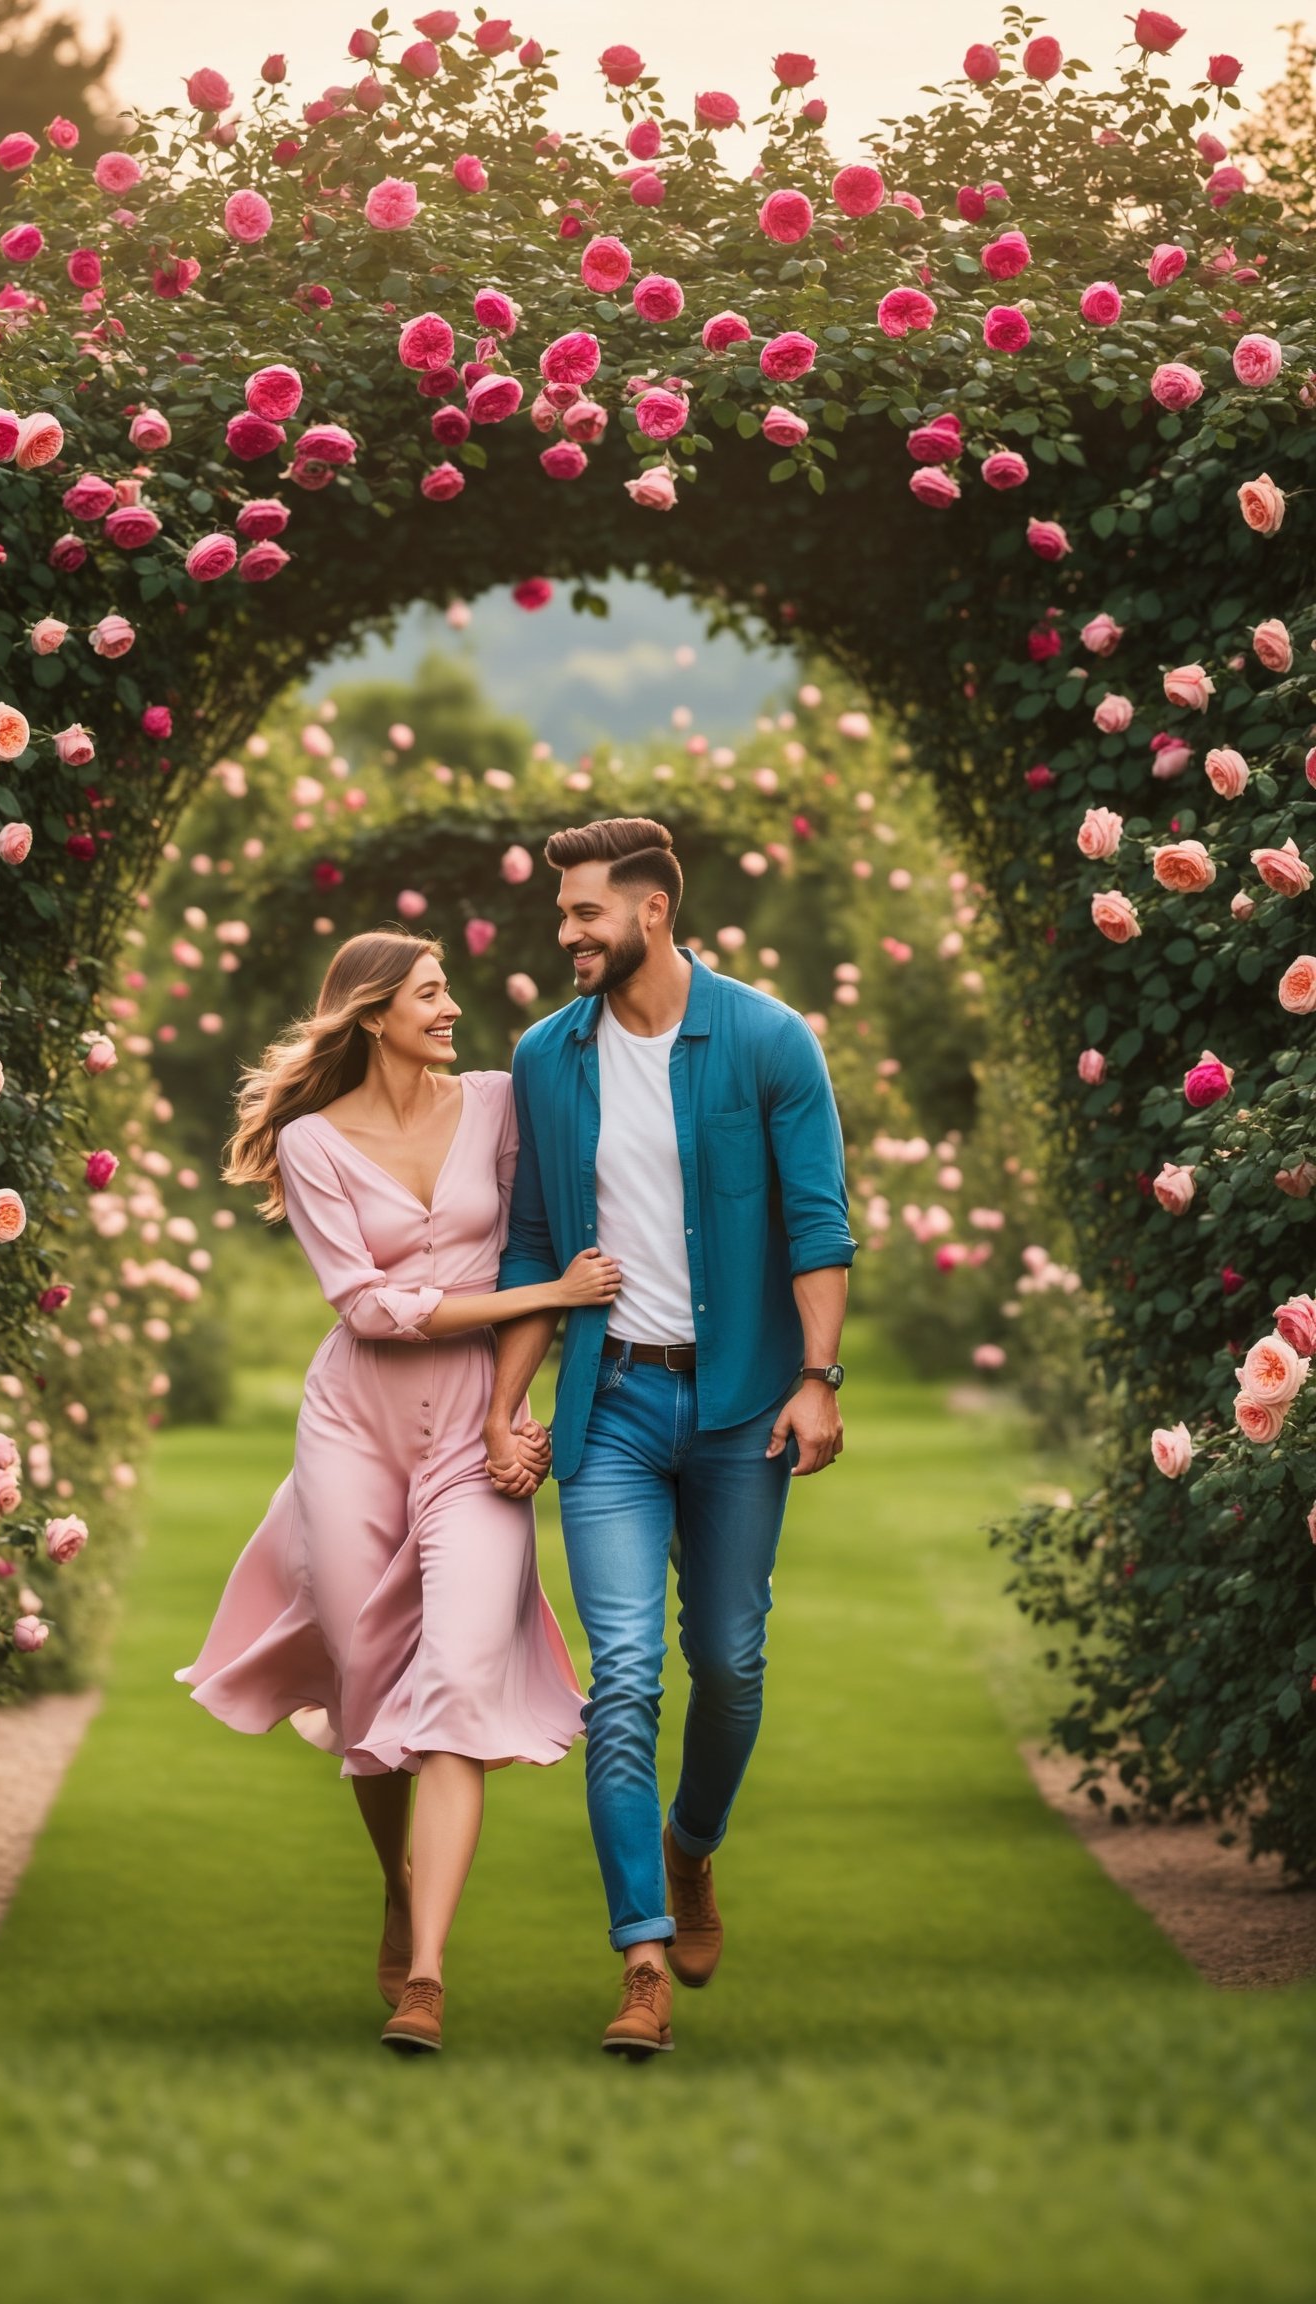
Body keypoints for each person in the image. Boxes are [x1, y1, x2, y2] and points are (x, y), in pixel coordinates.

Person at [176, 931, 616, 2054]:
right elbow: (367, 1308)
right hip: (354, 1425)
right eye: (430, 993)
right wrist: (545, 1289)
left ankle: (424, 1977)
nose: (452, 1007)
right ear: (373, 1014)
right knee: (368, 1676)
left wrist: (519, 1409)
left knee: (461, 1672)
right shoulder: (312, 1141)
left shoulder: (501, 1099)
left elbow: (533, 1254)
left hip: (476, 1417)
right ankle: (394, 1878)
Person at [483, 818, 856, 2059]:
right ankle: (640, 1955)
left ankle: (693, 1848)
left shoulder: (764, 1039)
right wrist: (505, 1403)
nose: (569, 932)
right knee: (628, 1677)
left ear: (652, 911)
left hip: (748, 1403)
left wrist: (818, 1378)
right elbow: (534, 1243)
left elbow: (817, 1224)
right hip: (614, 1410)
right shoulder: (547, 1056)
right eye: (563, 914)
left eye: (587, 912)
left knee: (732, 1661)